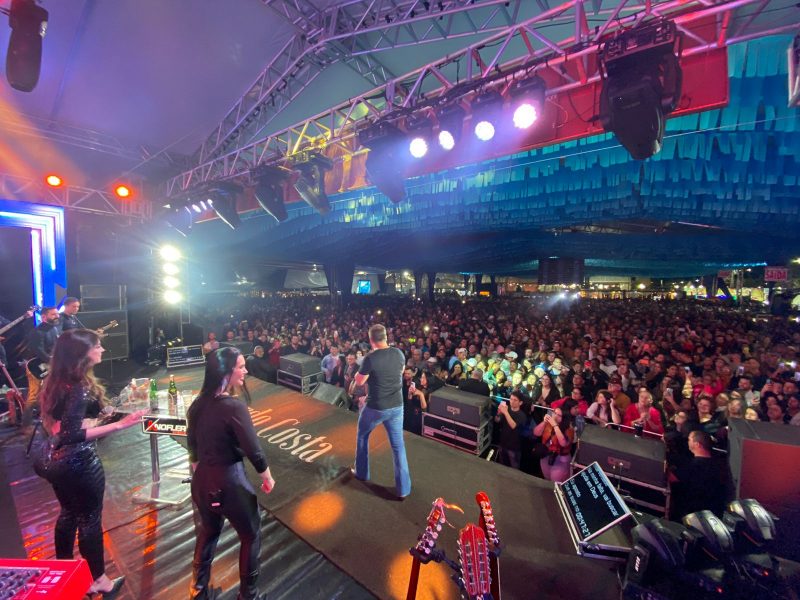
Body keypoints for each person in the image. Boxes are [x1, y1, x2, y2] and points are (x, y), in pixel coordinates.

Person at [38, 329, 146, 596]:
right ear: (82, 353)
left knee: (68, 513)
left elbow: (60, 426)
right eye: (97, 346)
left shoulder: (56, 380)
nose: (102, 350)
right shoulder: (78, 387)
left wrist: (107, 414)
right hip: (78, 462)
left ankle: (64, 568)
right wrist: (120, 425)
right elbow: (71, 434)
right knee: (88, 519)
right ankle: (99, 580)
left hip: (55, 463)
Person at [187, 347, 276, 600]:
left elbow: (193, 448)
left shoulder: (197, 404)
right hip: (230, 482)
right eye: (241, 366)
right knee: (251, 535)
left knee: (208, 531)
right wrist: (267, 476)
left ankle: (198, 591)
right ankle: (248, 596)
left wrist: (202, 472)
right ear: (226, 371)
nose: (246, 370)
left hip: (203, 481)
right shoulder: (233, 407)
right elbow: (254, 450)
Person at [352, 324, 411, 499]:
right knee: (398, 446)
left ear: (371, 340)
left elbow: (360, 382)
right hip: (397, 406)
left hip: (376, 407)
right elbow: (399, 373)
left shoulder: (370, 358)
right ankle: (404, 489)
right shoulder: (399, 353)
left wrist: (358, 373)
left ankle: (362, 473)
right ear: (386, 336)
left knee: (363, 436)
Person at [670, 431, 733, 520]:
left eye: (689, 439)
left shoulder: (694, 465)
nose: (687, 442)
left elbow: (672, 478)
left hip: (691, 513)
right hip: (712, 513)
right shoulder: (719, 464)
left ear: (697, 444)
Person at [25, 306, 60, 406]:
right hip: (36, 367)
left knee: (51, 392)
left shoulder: (54, 329)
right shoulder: (37, 332)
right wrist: (51, 361)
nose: (57, 316)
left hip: (50, 364)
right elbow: (38, 350)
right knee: (34, 395)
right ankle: (27, 419)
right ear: (44, 317)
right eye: (53, 314)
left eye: (57, 314)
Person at [532, 407, 574, 483]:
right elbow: (536, 432)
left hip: (560, 458)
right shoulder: (548, 424)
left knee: (556, 481)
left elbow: (563, 443)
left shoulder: (569, 429)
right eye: (554, 413)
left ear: (564, 418)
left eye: (559, 415)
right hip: (546, 455)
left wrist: (555, 426)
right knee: (547, 478)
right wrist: (544, 422)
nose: (555, 416)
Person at [494, 391, 527, 469]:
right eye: (511, 399)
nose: (512, 401)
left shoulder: (522, 415)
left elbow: (513, 426)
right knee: (501, 466)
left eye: (515, 400)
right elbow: (497, 420)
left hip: (514, 447)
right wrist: (498, 413)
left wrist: (505, 413)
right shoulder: (507, 409)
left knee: (514, 469)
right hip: (503, 444)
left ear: (520, 403)